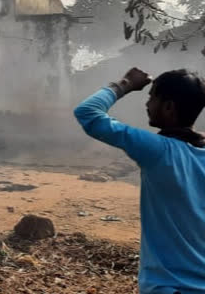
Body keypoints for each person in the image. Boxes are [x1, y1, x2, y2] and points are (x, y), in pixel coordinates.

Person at [74, 67, 205, 294]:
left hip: (170, 287)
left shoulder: (158, 150)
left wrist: (124, 84)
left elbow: (88, 113)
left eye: (152, 96)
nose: (147, 104)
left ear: (169, 107)